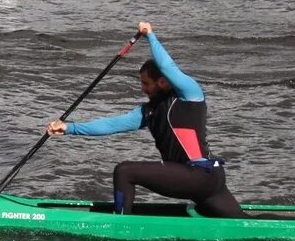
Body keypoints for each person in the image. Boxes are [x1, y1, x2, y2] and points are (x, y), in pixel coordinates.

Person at [46, 21, 243, 218]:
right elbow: (111, 125)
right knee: (244, 223)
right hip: (205, 179)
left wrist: (150, 35)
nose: (143, 89)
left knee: (125, 171)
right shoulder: (148, 111)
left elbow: (166, 65)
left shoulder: (189, 94)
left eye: (146, 83)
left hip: (201, 175)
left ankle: (121, 225)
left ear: (163, 81)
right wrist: (68, 128)